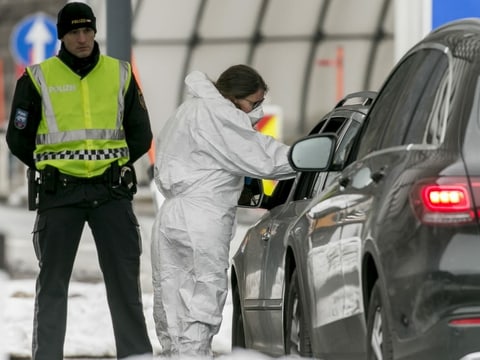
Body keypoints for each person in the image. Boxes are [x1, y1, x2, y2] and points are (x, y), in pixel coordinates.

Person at [5, 3, 153, 359]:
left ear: (95, 31)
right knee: (53, 287)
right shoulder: (37, 77)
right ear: (62, 36)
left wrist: (113, 165)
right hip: (60, 195)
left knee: (125, 289)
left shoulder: (120, 73)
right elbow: (18, 137)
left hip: (111, 192)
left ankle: (136, 356)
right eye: (74, 32)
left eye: (88, 30)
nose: (83, 38)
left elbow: (141, 134)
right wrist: (50, 166)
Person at [151, 65, 295, 357]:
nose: (257, 111)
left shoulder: (188, 110)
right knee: (203, 298)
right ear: (233, 96)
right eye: (254, 103)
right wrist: (303, 156)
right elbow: (262, 158)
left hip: (170, 215)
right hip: (203, 216)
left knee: (170, 301)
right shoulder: (220, 115)